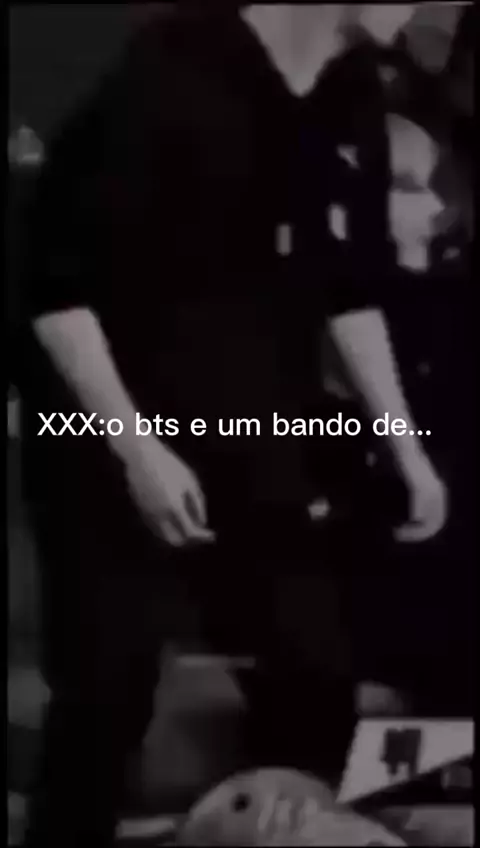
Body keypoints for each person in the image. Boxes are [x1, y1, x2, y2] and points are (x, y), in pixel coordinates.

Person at [20, 5, 447, 845]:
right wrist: (138, 450)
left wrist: (407, 448)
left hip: (255, 426)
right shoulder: (169, 71)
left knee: (316, 672)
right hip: (102, 425)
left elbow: (348, 288)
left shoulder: (353, 97)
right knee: (106, 689)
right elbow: (56, 286)